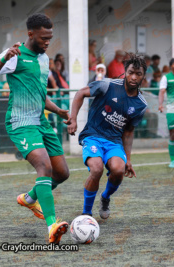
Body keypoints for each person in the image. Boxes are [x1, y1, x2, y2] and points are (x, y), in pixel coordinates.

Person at [0, 13, 71, 244]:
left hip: (41, 121)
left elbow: (40, 95)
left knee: (62, 173)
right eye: (43, 38)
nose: (47, 42)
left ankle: (30, 198)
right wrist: (4, 58)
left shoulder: (44, 59)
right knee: (44, 165)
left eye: (50, 37)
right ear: (30, 34)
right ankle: (52, 225)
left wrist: (58, 110)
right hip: (20, 123)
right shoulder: (15, 54)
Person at [67, 53, 148, 219]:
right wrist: (73, 119)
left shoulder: (141, 104)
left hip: (114, 142)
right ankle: (86, 214)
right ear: (125, 71)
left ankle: (105, 198)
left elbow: (129, 132)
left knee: (118, 171)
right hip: (93, 135)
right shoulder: (107, 85)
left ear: (143, 77)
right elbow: (80, 93)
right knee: (96, 168)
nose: (133, 77)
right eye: (131, 72)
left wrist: (128, 159)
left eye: (138, 74)